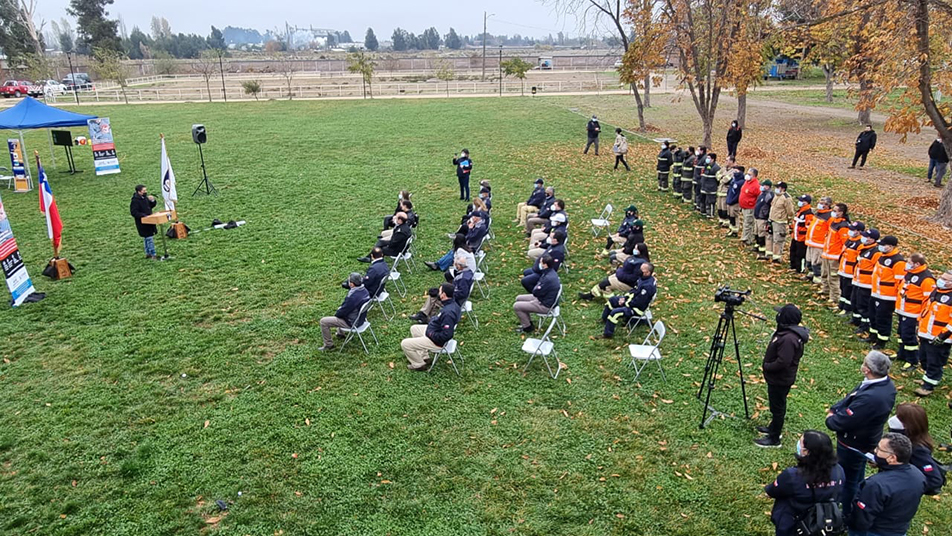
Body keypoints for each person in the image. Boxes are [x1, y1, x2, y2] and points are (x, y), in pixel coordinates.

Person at [826, 350, 897, 519]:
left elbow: (844, 420)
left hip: (853, 443)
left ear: (867, 369)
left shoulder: (872, 397)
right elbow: (852, 396)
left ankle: (846, 512)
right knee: (856, 475)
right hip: (865, 439)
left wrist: (831, 418)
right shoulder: (881, 384)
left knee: (848, 479)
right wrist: (836, 409)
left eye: (865, 363)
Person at [764, 430, 844, 536]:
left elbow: (771, 492)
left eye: (800, 442)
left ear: (806, 452)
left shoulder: (792, 476)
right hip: (823, 521)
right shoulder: (839, 471)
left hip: (793, 524)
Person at [848, 433, 925, 536]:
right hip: (899, 529)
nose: (875, 451)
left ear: (892, 458)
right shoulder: (918, 475)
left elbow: (862, 519)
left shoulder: (875, 485)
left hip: (874, 531)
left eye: (879, 449)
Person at [756, 304, 810, 448]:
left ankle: (774, 439)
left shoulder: (789, 339)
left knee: (777, 407)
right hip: (779, 378)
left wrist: (767, 366)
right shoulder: (788, 334)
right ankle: (773, 427)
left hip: (780, 379)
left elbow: (783, 361)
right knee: (777, 405)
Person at [887, 403, 946, 494]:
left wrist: (905, 487)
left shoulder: (917, 449)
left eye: (899, 417)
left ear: (908, 425)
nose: (894, 418)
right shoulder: (900, 436)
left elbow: (934, 480)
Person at [401, 283, 461, 371]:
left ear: (444, 295)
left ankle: (418, 364)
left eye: (440, 291)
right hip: (434, 330)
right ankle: (424, 357)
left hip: (436, 341)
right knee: (414, 328)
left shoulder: (448, 313)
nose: (438, 293)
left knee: (405, 344)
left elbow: (447, 335)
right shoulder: (453, 304)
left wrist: (431, 334)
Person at [915, 269, 952, 396]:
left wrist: (943, 335)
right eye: (942, 277)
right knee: (923, 357)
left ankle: (928, 386)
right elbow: (926, 309)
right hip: (926, 332)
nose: (941, 280)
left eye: (945, 279)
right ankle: (927, 377)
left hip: (940, 336)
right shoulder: (936, 291)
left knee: (934, 361)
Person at [895, 253, 935, 371]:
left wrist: (920, 317)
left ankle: (912, 360)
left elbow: (927, 300)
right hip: (904, 309)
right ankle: (902, 354)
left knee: (908, 336)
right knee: (901, 333)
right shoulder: (910, 273)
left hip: (913, 313)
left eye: (909, 262)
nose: (907, 264)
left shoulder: (926, 279)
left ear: (917, 264)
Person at [867, 236, 905, 351]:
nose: (881, 247)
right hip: (876, 292)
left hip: (888, 296)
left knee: (883, 318)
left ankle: (882, 340)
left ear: (891, 246)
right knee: (873, 315)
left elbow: (899, 282)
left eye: (884, 245)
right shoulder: (882, 256)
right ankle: (873, 335)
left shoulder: (898, 261)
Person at [599, 263, 656, 339]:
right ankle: (604, 319)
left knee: (615, 313)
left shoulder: (648, 286)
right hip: (631, 301)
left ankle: (607, 334)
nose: (639, 270)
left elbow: (638, 302)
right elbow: (633, 290)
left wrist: (625, 303)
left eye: (642, 270)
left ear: (648, 272)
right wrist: (624, 298)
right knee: (612, 300)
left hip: (636, 309)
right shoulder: (642, 278)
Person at [318, 272, 371, 351]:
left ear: (352, 284)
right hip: (361, 320)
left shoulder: (352, 297)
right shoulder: (365, 291)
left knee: (324, 321)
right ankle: (340, 333)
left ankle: (329, 345)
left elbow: (341, 313)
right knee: (343, 310)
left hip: (352, 323)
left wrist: (338, 311)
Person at [410, 258, 472, 323]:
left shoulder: (463, 279)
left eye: (455, 264)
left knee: (433, 299)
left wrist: (446, 294)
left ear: (459, 266)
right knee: (434, 297)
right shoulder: (467, 272)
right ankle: (425, 317)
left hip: (456, 302)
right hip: (456, 299)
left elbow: (462, 294)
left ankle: (426, 317)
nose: (454, 265)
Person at [513, 254, 561, 334]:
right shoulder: (550, 272)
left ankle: (527, 327)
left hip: (545, 305)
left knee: (516, 306)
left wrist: (537, 288)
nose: (539, 264)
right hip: (544, 298)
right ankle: (527, 321)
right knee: (518, 298)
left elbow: (536, 292)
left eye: (541, 262)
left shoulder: (548, 278)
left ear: (545, 265)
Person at [578, 248, 648, 301]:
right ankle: (591, 295)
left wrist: (620, 274)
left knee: (605, 285)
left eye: (636, 248)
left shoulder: (640, 265)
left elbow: (632, 278)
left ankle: (612, 301)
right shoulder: (636, 259)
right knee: (604, 282)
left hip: (628, 284)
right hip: (623, 277)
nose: (634, 249)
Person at [851, 228, 882, 336]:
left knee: (864, 306)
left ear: (872, 239)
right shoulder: (862, 248)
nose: (864, 238)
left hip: (867, 284)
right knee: (855, 301)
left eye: (867, 237)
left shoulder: (876, 252)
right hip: (858, 280)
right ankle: (856, 320)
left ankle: (864, 326)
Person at [820, 203, 850, 304]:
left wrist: (840, 256)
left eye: (835, 210)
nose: (833, 212)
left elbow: (845, 243)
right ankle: (826, 290)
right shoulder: (834, 222)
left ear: (841, 213)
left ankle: (835, 297)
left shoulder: (843, 226)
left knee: (833, 278)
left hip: (835, 256)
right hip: (827, 253)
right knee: (825, 273)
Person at [836, 222, 865, 318]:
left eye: (853, 230)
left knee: (848, 291)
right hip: (843, 269)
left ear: (859, 232)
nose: (851, 231)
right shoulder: (849, 240)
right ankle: (841, 306)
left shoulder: (860, 243)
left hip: (851, 272)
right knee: (843, 288)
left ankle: (847, 309)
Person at [804, 197, 833, 284]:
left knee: (816, 261)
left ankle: (818, 277)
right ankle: (811, 273)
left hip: (819, 243)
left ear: (827, 205)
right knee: (809, 259)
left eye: (822, 203)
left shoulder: (829, 217)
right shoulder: (818, 213)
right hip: (811, 241)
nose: (819, 204)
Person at [766, 181, 795, 265]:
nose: (776, 189)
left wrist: (787, 220)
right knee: (769, 237)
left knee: (777, 240)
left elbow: (790, 212)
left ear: (783, 189)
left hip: (780, 222)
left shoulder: (786, 198)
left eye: (778, 187)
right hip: (772, 219)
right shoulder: (776, 196)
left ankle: (777, 257)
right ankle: (769, 254)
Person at [130, 184, 158, 260]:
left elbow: (150, 206)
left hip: (149, 221)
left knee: (147, 238)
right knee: (149, 238)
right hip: (142, 223)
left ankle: (148, 253)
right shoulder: (135, 201)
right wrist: (144, 215)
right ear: (139, 192)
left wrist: (152, 201)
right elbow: (134, 212)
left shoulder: (145, 198)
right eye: (144, 191)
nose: (146, 192)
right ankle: (153, 254)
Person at [790, 195, 814, 273]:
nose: (799, 202)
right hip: (795, 236)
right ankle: (793, 266)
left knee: (800, 254)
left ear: (806, 202)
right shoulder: (800, 211)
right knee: (793, 251)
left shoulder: (808, 214)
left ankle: (800, 269)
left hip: (802, 238)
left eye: (801, 201)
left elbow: (808, 227)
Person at [753, 179, 774, 259]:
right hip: (758, 216)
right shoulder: (762, 193)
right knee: (757, 232)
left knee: (762, 233)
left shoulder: (769, 195)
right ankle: (757, 245)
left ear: (768, 186)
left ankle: (762, 248)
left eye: (764, 185)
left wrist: (766, 215)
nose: (762, 187)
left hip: (763, 217)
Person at [739, 168, 760, 245]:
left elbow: (759, 197)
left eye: (749, 174)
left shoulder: (756, 185)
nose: (747, 175)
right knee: (746, 223)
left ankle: (746, 239)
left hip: (750, 208)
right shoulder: (747, 182)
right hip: (744, 207)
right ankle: (746, 237)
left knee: (748, 223)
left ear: (754, 176)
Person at [725, 165, 746, 237]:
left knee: (734, 216)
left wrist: (734, 200)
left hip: (735, 202)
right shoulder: (734, 180)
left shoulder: (742, 182)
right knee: (730, 216)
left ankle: (735, 230)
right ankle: (731, 228)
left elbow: (738, 194)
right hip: (730, 200)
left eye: (736, 171)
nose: (735, 173)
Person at [715, 157, 735, 227]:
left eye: (727, 160)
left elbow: (726, 180)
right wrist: (722, 177)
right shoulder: (723, 168)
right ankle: (721, 220)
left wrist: (722, 177)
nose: (725, 161)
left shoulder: (733, 171)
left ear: (731, 161)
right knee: (719, 207)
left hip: (725, 192)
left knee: (724, 208)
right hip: (720, 191)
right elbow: (717, 175)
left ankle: (726, 222)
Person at [699, 152, 720, 218]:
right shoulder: (706, 165)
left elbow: (718, 179)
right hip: (704, 186)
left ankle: (710, 214)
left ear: (713, 159)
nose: (707, 159)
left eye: (708, 158)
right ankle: (703, 212)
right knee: (703, 200)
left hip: (711, 188)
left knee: (710, 201)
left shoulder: (716, 168)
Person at [693, 146, 708, 211]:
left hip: (700, 179)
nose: (697, 151)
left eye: (698, 150)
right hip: (696, 177)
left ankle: (699, 206)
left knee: (699, 193)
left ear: (702, 151)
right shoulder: (698, 157)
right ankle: (696, 205)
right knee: (696, 192)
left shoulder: (704, 158)